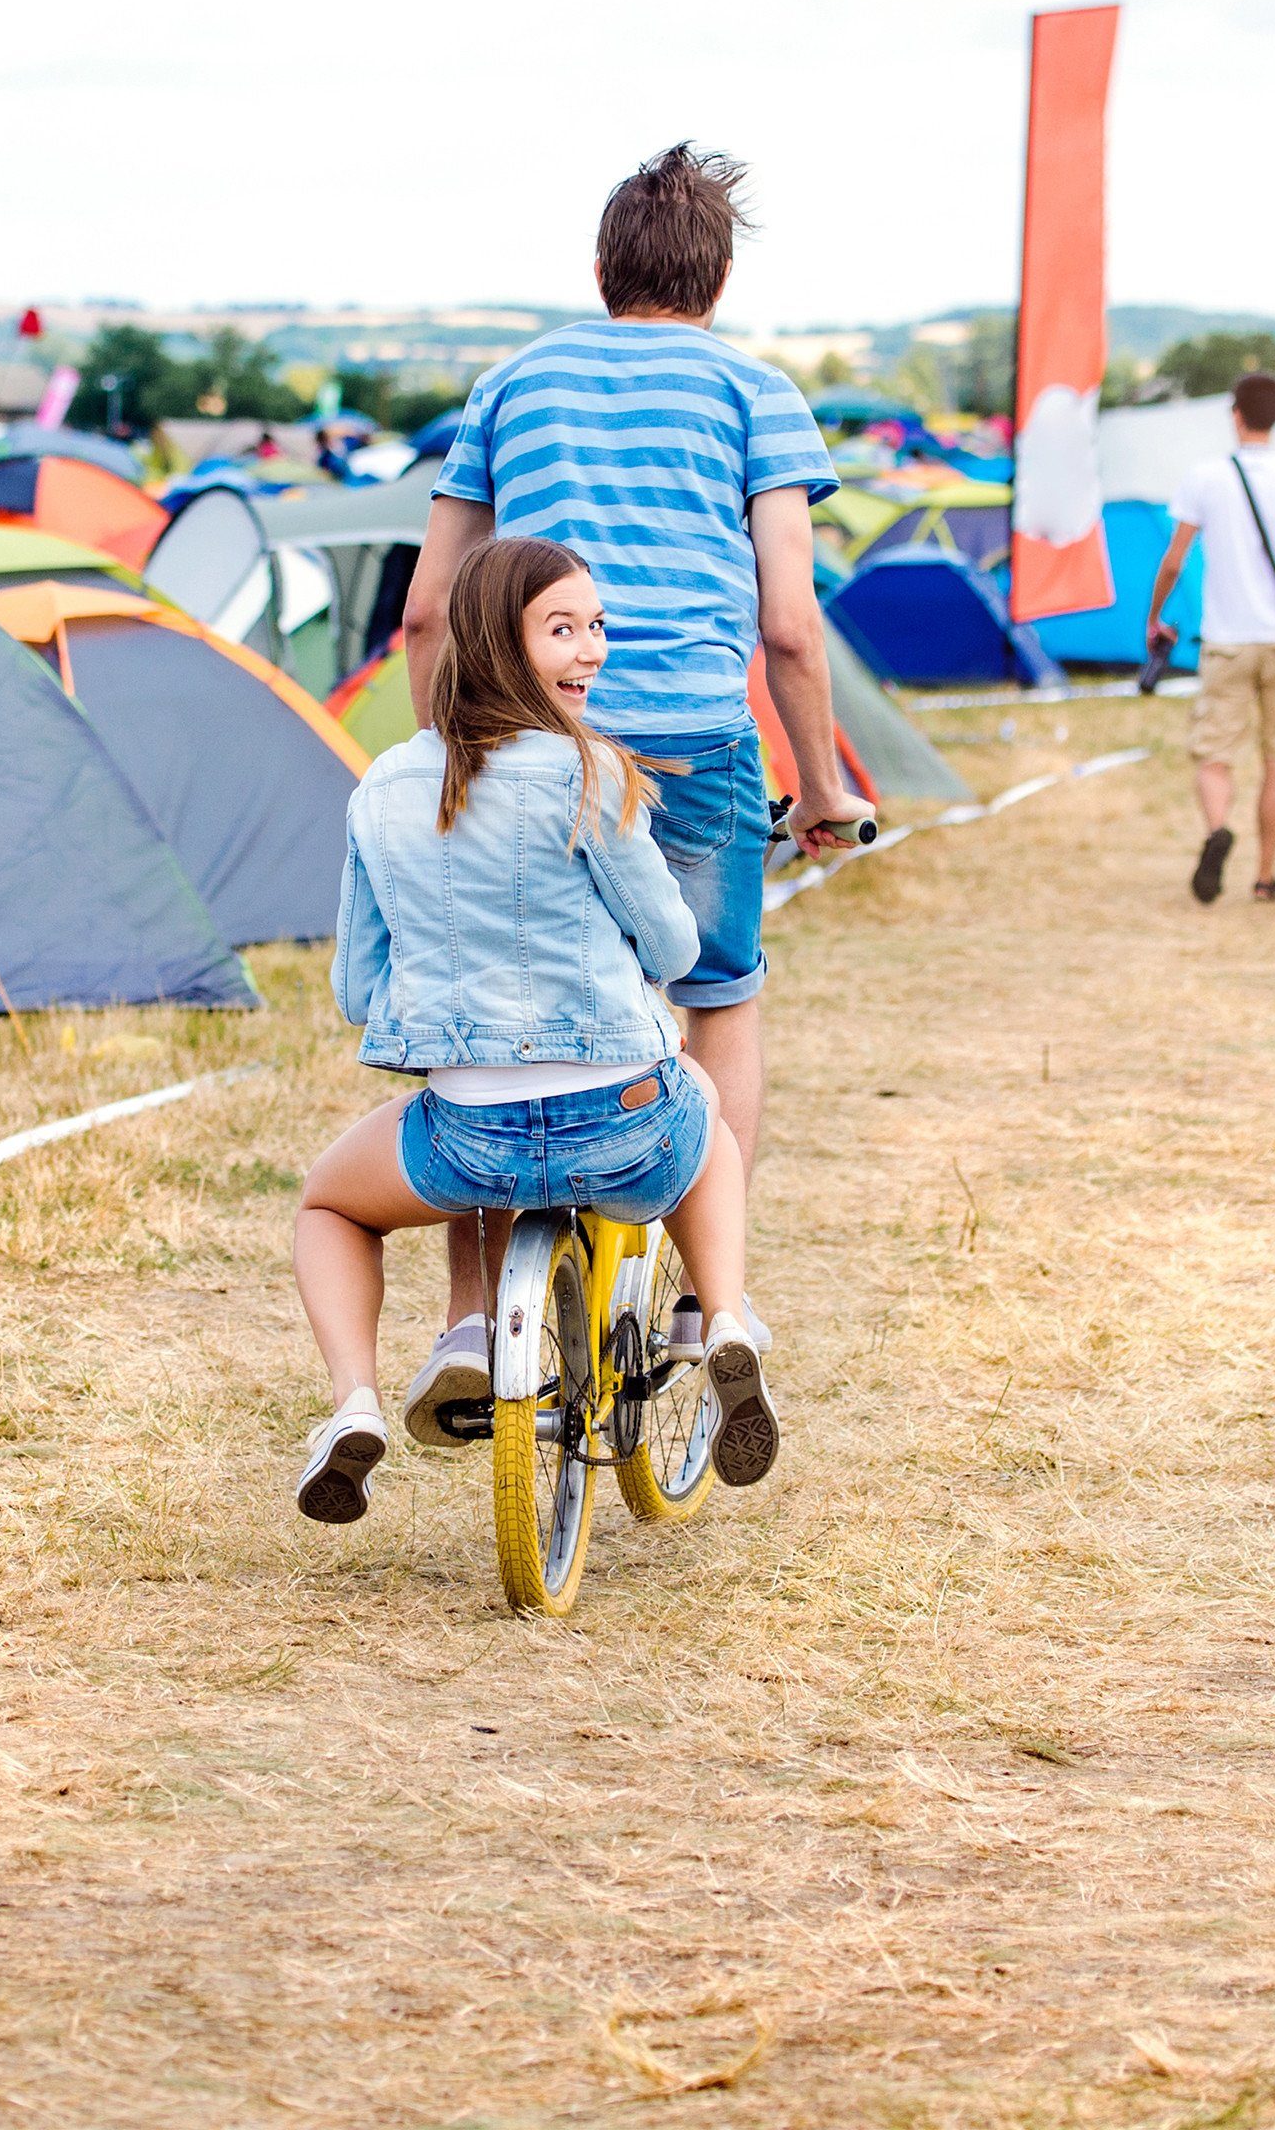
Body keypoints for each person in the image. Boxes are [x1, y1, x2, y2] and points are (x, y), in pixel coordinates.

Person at [393, 144, 872, 1440]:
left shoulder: (512, 382)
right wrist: (822, 788)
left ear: (603, 270)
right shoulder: (758, 394)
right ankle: (703, 1309)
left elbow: (431, 608)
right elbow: (790, 628)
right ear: (716, 279)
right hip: (700, 744)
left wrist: (445, 765)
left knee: (500, 1006)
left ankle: (479, 1317)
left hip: (528, 735)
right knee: (720, 999)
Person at [291, 536, 771, 1521]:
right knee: (708, 1122)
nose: (591, 650)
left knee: (327, 1208)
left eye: (597, 627)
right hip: (626, 1116)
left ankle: (353, 1402)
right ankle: (724, 1318)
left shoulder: (381, 786)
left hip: (470, 1140)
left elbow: (353, 987)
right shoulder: (587, 771)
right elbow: (674, 949)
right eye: (562, 628)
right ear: (501, 644)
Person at [1144, 371, 1275, 906]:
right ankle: (1265, 876)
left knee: (1214, 755)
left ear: (1235, 414)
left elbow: (1174, 559)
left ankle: (1217, 829)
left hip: (1226, 638)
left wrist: (1155, 615)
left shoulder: (1205, 477)